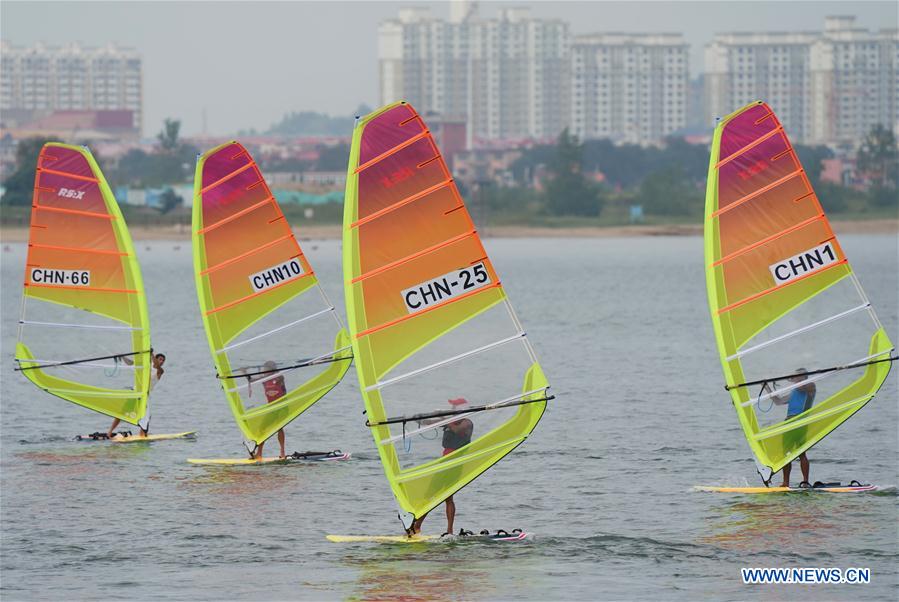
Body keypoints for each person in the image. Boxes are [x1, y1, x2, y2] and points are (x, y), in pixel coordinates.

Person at [411, 398, 474, 535]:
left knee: (437, 495)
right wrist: (418, 419)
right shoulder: (450, 421)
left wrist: (444, 417)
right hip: (445, 461)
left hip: (455, 463)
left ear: (460, 409)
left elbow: (457, 430)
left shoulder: (466, 423)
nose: (451, 408)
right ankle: (422, 527)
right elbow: (431, 422)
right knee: (443, 497)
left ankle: (420, 527)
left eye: (454, 406)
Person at [764, 369, 816, 487]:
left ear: (804, 377)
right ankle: (785, 483)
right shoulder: (794, 391)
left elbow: (801, 387)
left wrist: (792, 379)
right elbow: (778, 401)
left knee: (802, 453)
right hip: (788, 423)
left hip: (800, 423)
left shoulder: (811, 386)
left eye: (797, 376)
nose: (795, 378)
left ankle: (805, 481)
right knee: (785, 454)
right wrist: (766, 387)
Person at [108, 351, 165, 438]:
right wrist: (122, 356)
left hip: (145, 395)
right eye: (160, 359)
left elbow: (157, 366)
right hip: (136, 392)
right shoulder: (146, 367)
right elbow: (131, 363)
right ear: (156, 359)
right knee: (121, 413)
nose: (161, 362)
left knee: (147, 417)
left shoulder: (160, 371)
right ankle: (109, 432)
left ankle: (142, 434)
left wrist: (151, 353)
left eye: (163, 361)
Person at [247, 361, 287, 459]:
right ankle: (259, 454)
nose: (264, 372)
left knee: (279, 428)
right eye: (264, 370)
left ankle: (282, 452)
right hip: (271, 408)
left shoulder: (279, 378)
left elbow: (281, 378)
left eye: (266, 370)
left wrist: (275, 373)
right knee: (262, 429)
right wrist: (245, 373)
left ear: (272, 370)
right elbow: (251, 380)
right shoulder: (265, 379)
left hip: (282, 407)